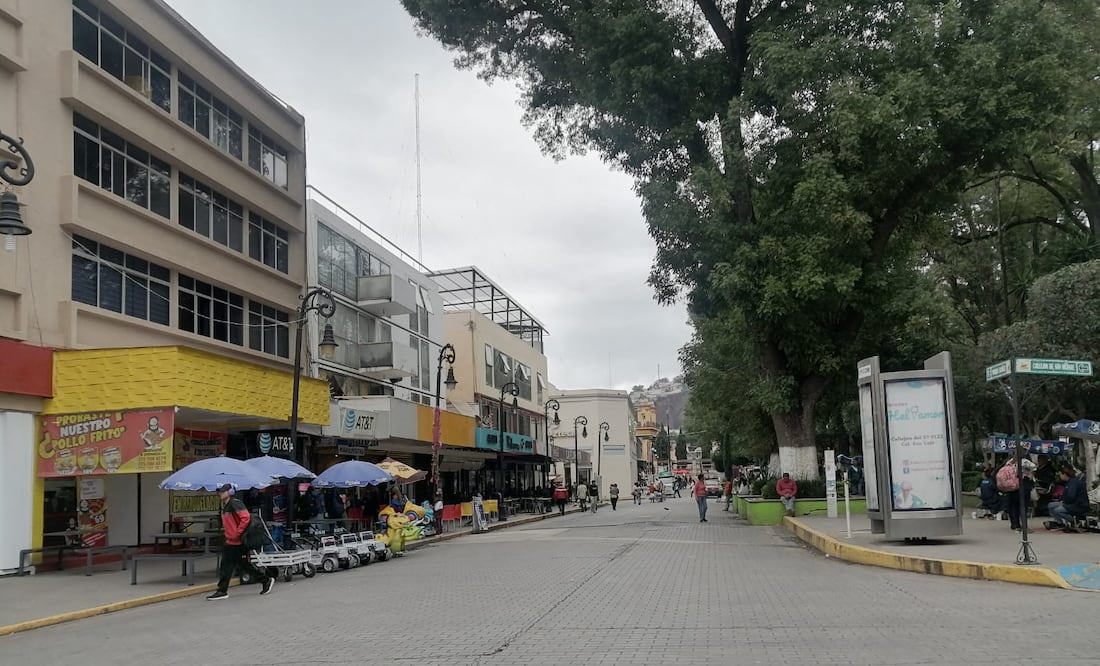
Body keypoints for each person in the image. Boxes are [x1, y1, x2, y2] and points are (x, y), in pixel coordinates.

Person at [207, 484, 273, 600]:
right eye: (219, 491)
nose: (220, 493)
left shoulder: (234, 503)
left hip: (237, 541)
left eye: (222, 491)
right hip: (231, 541)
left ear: (230, 491)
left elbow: (245, 517)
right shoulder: (226, 505)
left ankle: (223, 590)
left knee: (236, 566)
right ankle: (222, 590)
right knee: (234, 566)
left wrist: (237, 533)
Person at [1046, 464, 1089, 531]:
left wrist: (1063, 503)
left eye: (1060, 474)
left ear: (1064, 474)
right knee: (1050, 505)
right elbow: (1066, 495)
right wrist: (1061, 500)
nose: (1059, 476)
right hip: (1071, 503)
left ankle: (1075, 521)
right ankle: (1059, 523)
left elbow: (1071, 497)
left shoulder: (1073, 482)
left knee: (1057, 510)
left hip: (1078, 505)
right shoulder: (1069, 482)